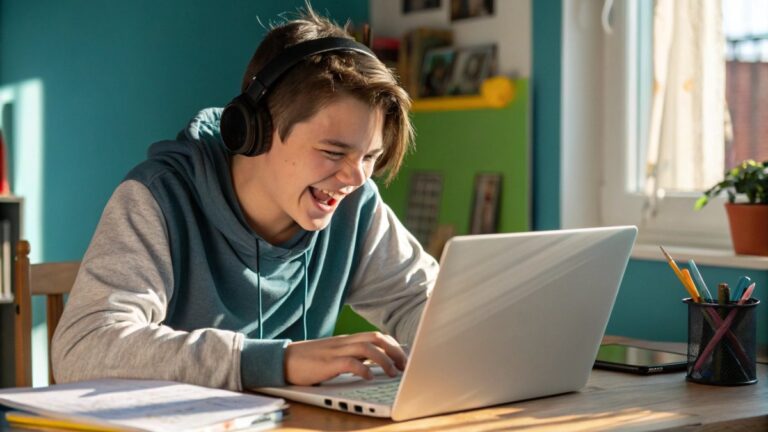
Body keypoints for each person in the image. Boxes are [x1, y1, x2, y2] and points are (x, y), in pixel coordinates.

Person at [51, 5, 438, 391]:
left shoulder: (354, 204)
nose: (356, 177)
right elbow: (83, 348)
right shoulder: (159, 198)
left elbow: (425, 302)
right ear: (256, 132)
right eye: (334, 153)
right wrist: (275, 361)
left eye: (369, 156)